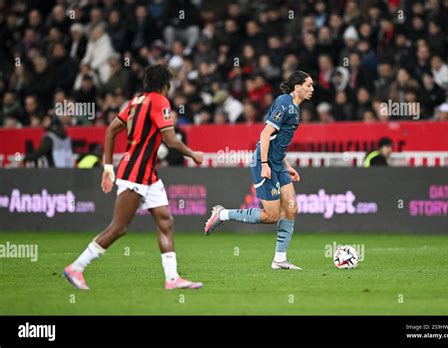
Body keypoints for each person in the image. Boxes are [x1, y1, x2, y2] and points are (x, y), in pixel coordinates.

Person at [64, 65, 204, 290]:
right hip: (135, 173)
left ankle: (172, 279)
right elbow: (171, 140)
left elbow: (110, 130)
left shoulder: (136, 101)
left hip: (147, 174)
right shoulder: (160, 101)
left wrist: (108, 166)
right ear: (165, 84)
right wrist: (193, 154)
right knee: (119, 227)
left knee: (166, 221)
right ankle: (76, 268)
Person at [204, 71, 314, 270]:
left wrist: (287, 165)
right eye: (308, 85)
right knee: (271, 216)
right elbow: (265, 134)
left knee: (290, 208)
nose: (312, 89)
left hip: (278, 163)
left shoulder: (295, 109)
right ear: (297, 87)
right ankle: (223, 214)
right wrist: (264, 164)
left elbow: (277, 142)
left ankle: (279, 260)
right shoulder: (284, 102)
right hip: (263, 162)